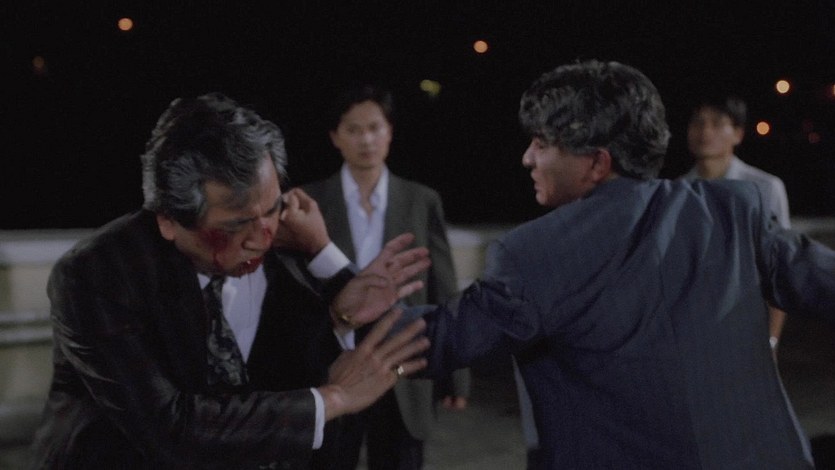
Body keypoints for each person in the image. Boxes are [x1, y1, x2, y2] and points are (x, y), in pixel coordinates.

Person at [303, 60, 835, 468]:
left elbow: (436, 340)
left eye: (541, 143)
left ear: (596, 162)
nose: (527, 158)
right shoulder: (733, 211)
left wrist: (333, 275)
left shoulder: (534, 253)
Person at [28, 92, 433, 469]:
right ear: (168, 219)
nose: (262, 238)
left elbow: (298, 362)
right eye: (236, 224)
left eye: (272, 209)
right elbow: (171, 429)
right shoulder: (96, 275)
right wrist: (333, 398)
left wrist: (331, 278)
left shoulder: (291, 247)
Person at [302, 85, 469, 470]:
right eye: (354, 130)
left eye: (375, 128)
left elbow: (443, 288)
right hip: (334, 368)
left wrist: (455, 373)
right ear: (335, 137)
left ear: (390, 131)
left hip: (403, 369)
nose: (366, 140)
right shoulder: (310, 201)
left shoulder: (421, 200)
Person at [682, 94, 791, 354]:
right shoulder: (678, 191)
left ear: (738, 134)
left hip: (747, 328)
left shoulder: (764, 187)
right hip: (692, 332)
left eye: (717, 123)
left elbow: (780, 267)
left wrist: (771, 340)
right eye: (698, 122)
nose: (705, 131)